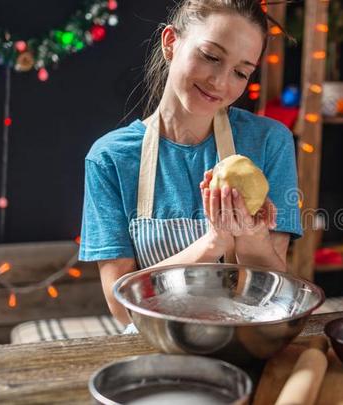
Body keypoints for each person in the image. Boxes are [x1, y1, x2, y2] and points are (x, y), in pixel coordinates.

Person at [78, 0, 303, 327]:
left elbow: (272, 294)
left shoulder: (269, 142)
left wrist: (251, 235)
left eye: (241, 72)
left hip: (240, 340)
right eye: (211, 56)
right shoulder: (110, 158)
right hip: (155, 343)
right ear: (170, 42)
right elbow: (121, 306)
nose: (220, 83)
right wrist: (213, 244)